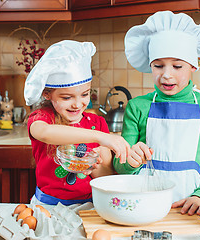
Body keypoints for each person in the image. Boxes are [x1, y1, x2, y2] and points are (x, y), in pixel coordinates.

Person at [113, 11, 200, 218]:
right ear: (150, 66)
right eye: (158, 66)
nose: (167, 74)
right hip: (142, 205)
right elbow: (119, 167)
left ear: (194, 65)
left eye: (177, 66)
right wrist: (130, 160)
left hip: (189, 207)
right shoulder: (137, 106)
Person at [24, 40, 130, 206]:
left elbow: (105, 178)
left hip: (89, 207)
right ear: (47, 94)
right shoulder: (42, 118)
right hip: (48, 207)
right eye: (67, 97)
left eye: (85, 94)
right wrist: (99, 137)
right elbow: (44, 133)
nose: (78, 104)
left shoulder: (97, 122)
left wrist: (96, 166)